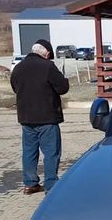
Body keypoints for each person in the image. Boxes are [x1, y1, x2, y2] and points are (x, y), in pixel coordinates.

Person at [10, 39, 69, 194]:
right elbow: (63, 88)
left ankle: (30, 183)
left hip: (26, 117)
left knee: (29, 151)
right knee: (51, 152)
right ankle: (50, 185)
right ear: (47, 53)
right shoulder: (48, 66)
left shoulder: (18, 67)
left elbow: (15, 87)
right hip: (47, 117)